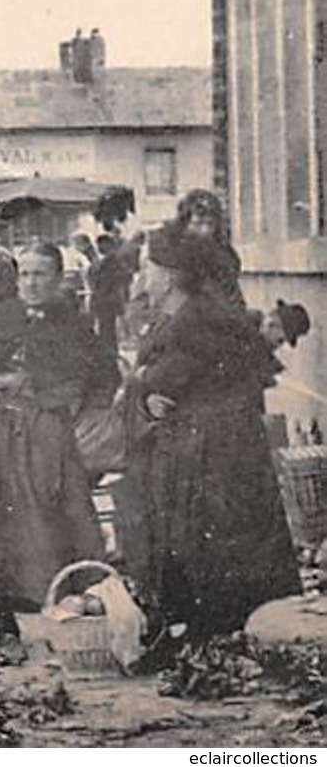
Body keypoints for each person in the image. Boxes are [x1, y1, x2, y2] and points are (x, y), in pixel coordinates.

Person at [115, 226, 301, 639]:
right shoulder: (195, 313)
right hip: (214, 439)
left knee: (205, 536)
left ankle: (208, 625)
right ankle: (210, 621)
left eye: (147, 267)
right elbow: (167, 384)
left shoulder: (192, 321)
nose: (142, 275)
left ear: (168, 275)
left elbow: (167, 377)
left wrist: (141, 382)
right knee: (211, 536)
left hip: (210, 446)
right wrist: (149, 392)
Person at [0, 243, 118, 639]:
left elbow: (84, 381)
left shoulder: (75, 324)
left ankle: (52, 602)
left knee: (43, 516)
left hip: (44, 433)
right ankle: (0, 609)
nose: (30, 283)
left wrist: (16, 384)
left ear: (59, 278)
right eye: (25, 274)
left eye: (40, 274)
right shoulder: (1, 314)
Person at [168, 189, 245, 310]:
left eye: (210, 224)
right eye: (198, 223)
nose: (204, 230)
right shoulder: (171, 256)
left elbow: (233, 298)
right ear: (185, 224)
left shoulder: (224, 256)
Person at [87, 232, 134, 357]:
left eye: (101, 245)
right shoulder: (107, 261)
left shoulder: (112, 261)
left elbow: (120, 279)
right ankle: (109, 352)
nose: (99, 247)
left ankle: (109, 354)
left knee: (107, 329)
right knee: (106, 329)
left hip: (107, 299)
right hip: (106, 299)